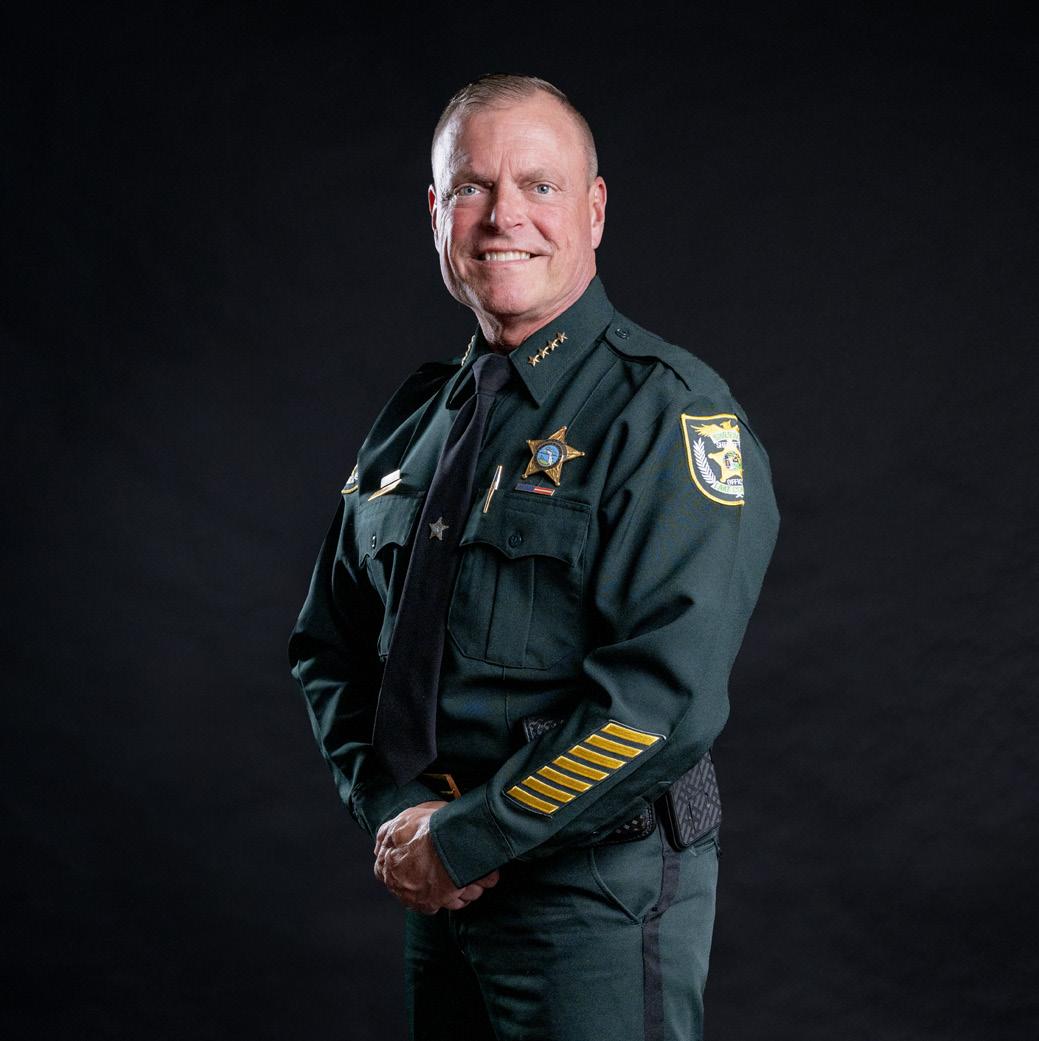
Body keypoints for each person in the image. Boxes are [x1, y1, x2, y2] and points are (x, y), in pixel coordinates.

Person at [289, 73, 779, 1041]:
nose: (503, 216)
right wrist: (397, 813)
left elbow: (660, 704)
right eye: (471, 187)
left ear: (593, 210)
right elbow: (328, 646)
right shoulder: (417, 422)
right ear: (437, 213)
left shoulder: (667, 416)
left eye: (539, 186)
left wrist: (469, 837)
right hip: (439, 897)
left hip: (596, 900)